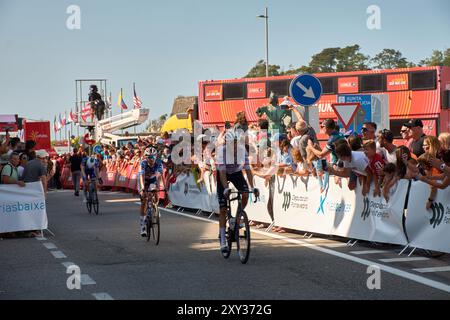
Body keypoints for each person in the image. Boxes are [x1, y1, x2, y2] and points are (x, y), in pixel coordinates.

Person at [216, 130, 259, 253]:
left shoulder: (241, 150)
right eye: (231, 143)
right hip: (222, 175)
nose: (234, 146)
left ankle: (237, 218)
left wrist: (253, 187)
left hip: (236, 173)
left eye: (235, 143)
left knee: (245, 194)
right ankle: (223, 241)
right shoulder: (222, 152)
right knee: (223, 209)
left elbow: (248, 170)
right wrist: (225, 188)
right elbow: (222, 173)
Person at [138, 147, 163, 237]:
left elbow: (159, 176)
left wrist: (158, 187)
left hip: (153, 180)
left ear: (155, 157)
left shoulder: (159, 163)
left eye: (152, 157)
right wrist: (143, 188)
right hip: (144, 180)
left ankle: (155, 208)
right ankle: (142, 226)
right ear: (146, 157)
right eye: (148, 157)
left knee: (155, 193)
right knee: (144, 201)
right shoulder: (143, 163)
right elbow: (141, 176)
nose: (150, 159)